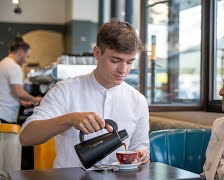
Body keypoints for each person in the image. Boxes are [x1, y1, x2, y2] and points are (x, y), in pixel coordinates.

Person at [20, 19, 150, 168]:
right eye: (115, 60)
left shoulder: (138, 101)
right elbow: (26, 137)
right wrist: (69, 119)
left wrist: (142, 154)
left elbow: (141, 147)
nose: (123, 70)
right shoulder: (65, 91)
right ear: (97, 53)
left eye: (129, 62)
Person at [0, 37, 42, 124]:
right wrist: (35, 99)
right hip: (6, 115)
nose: (26, 61)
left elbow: (5, 90)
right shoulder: (14, 67)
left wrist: (20, 101)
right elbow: (18, 92)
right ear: (21, 53)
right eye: (27, 56)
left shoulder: (3, 63)